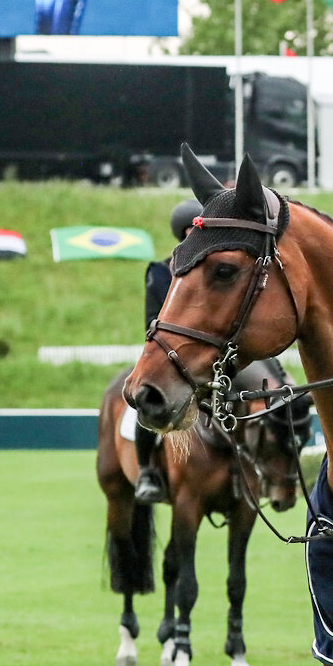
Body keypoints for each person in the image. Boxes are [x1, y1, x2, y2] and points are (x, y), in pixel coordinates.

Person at [133, 198, 202, 504]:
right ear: (182, 234)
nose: (196, 237)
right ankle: (147, 470)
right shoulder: (161, 272)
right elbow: (151, 318)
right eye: (192, 231)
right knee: (145, 398)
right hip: (167, 352)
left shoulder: (207, 271)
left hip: (205, 352)